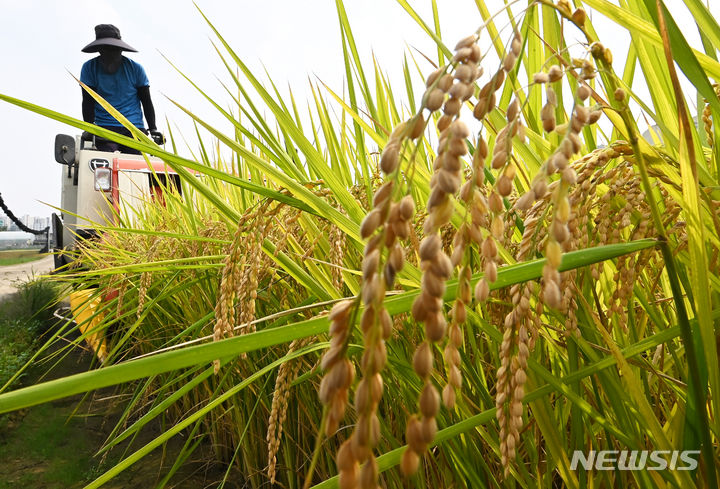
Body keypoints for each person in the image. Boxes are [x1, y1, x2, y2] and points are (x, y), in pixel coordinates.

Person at [80, 24, 164, 154]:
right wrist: (89, 127)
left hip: (133, 128)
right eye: (107, 50)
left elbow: (146, 101)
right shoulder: (89, 68)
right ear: (100, 50)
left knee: (134, 165)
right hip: (105, 127)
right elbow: (87, 101)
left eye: (115, 50)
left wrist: (153, 129)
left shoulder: (135, 69)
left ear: (121, 50)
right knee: (106, 162)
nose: (111, 55)